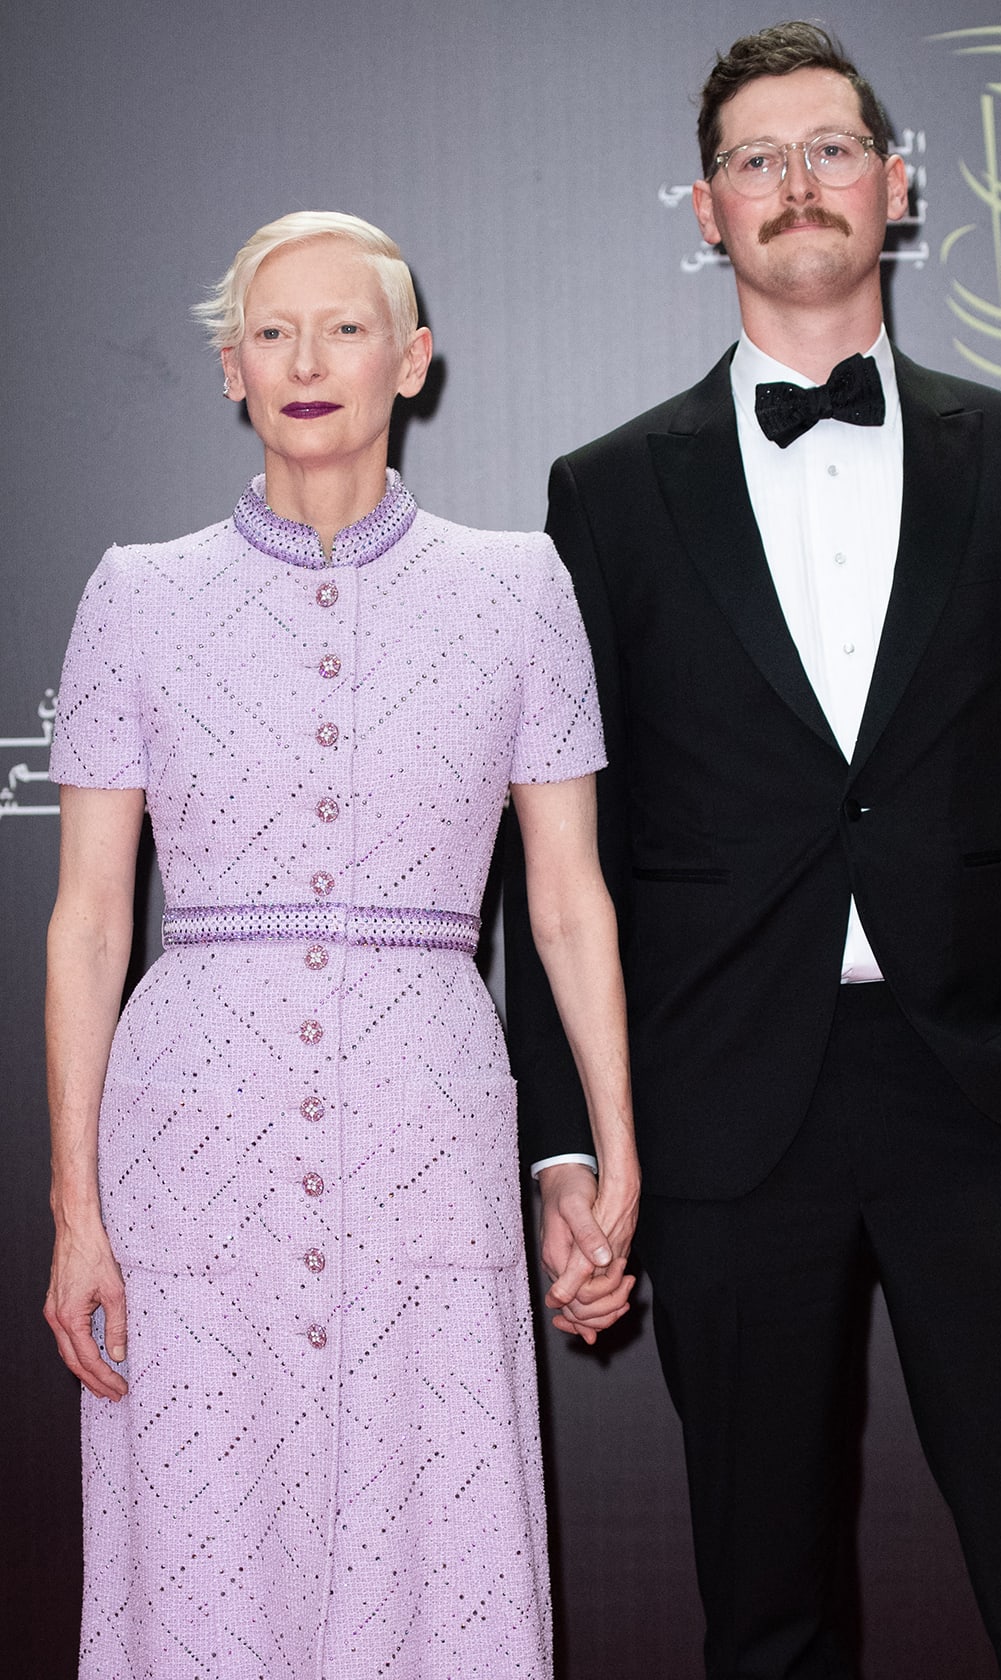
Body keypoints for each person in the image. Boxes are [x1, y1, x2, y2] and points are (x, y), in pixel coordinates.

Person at [504, 22, 1001, 1679]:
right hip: (724, 1111)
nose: (795, 184)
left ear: (895, 185)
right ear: (706, 211)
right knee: (766, 1607)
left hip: (986, 1095)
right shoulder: (604, 493)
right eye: (755, 158)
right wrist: (570, 1142)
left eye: (827, 149)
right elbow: (560, 854)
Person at [43, 209, 638, 1680]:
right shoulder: (136, 593)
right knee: (196, 1531)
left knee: (439, 1528)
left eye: (347, 327)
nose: (308, 360)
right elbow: (92, 916)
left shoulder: (521, 589)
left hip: (430, 1120)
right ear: (233, 371)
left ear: (414, 360)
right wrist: (76, 1207)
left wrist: (617, 1146)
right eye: (271, 331)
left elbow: (566, 899)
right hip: (186, 1137)